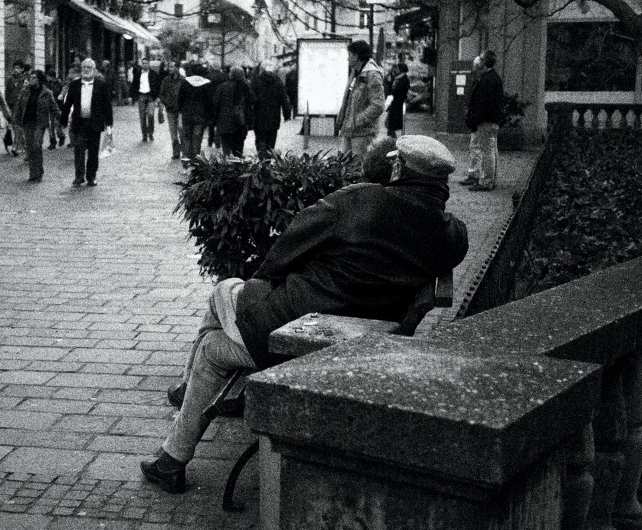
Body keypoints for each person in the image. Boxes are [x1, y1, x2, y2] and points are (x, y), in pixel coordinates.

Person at [142, 135, 469, 494]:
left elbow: (288, 245)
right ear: (441, 183)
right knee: (216, 337)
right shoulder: (451, 235)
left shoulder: (358, 200)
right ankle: (179, 425)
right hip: (364, 344)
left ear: (397, 168)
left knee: (222, 299)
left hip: (296, 333)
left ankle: (177, 438)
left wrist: (265, 280)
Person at [60, 58, 113, 187]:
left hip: (95, 123)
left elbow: (107, 105)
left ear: (94, 70)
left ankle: (91, 176)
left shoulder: (101, 85)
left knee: (93, 152)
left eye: (89, 67)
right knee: (78, 149)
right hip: (79, 122)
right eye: (84, 67)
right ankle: (79, 176)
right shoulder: (75, 84)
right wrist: (63, 119)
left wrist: (109, 123)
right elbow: (68, 103)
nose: (86, 70)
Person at [334, 40, 385, 163]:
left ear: (356, 57)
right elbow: (348, 100)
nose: (348, 59)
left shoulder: (372, 74)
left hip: (363, 134)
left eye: (350, 55)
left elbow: (378, 105)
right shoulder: (355, 73)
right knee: (343, 165)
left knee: (358, 168)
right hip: (349, 131)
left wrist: (357, 120)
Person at [462, 49, 505, 192]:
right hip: (488, 120)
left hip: (486, 120)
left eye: (480, 59)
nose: (477, 60)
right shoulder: (490, 78)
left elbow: (484, 104)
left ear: (485, 62)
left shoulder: (488, 80)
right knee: (488, 149)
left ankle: (486, 180)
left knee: (487, 150)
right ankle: (484, 177)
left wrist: (474, 118)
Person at [14, 70, 61, 183]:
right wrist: (16, 120)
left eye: (34, 78)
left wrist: (61, 118)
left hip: (40, 123)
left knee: (36, 145)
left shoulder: (47, 93)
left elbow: (53, 107)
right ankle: (33, 173)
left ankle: (38, 172)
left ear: (39, 80)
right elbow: (19, 106)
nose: (31, 79)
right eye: (31, 77)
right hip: (27, 122)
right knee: (30, 148)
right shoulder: (24, 91)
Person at [177, 63, 215, 172]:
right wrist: (209, 117)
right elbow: (209, 102)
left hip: (187, 115)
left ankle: (185, 163)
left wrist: (181, 111)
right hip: (200, 116)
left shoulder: (185, 83)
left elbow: (180, 100)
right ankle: (195, 162)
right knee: (197, 140)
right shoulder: (206, 84)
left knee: (186, 139)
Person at [251, 59, 292, 157]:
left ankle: (262, 160)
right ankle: (267, 162)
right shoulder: (278, 82)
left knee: (260, 140)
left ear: (261, 69)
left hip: (259, 117)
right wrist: (287, 114)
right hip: (274, 118)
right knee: (271, 142)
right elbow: (284, 99)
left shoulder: (256, 82)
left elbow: (251, 99)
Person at [212, 65, 254, 158]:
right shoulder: (246, 87)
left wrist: (215, 121)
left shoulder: (222, 87)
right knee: (238, 150)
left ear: (231, 75)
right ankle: (238, 167)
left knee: (226, 150)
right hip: (241, 123)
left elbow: (215, 104)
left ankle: (227, 167)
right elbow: (252, 101)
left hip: (225, 123)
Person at [130, 58, 162, 143]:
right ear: (141, 64)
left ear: (149, 64)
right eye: (143, 63)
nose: (144, 65)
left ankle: (150, 133)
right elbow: (134, 84)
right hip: (141, 96)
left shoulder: (153, 73)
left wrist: (158, 97)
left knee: (151, 115)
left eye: (146, 63)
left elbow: (158, 85)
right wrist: (131, 96)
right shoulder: (138, 73)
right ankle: (144, 135)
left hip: (151, 96)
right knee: (142, 116)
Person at [158, 60, 184, 160]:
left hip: (181, 110)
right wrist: (167, 103)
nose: (170, 68)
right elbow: (161, 94)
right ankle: (176, 152)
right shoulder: (166, 80)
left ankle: (184, 150)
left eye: (172, 66)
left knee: (181, 130)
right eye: (169, 66)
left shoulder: (183, 80)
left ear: (177, 68)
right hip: (170, 110)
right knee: (173, 133)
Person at [5, 61, 29, 155]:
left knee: (17, 125)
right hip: (12, 104)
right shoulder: (10, 79)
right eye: (15, 67)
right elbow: (7, 92)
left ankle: (17, 145)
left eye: (18, 68)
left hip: (21, 105)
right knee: (15, 125)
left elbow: (27, 92)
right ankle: (21, 144)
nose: (16, 70)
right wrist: (7, 103)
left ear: (22, 69)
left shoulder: (25, 79)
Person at [386, 63, 411, 137]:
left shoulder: (402, 79)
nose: (396, 69)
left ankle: (392, 140)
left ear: (400, 69)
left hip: (397, 104)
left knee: (391, 125)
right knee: (390, 125)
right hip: (396, 103)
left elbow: (395, 91)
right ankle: (391, 138)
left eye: (397, 68)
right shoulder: (399, 78)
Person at [44, 67, 66, 149]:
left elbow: (64, 90)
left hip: (58, 106)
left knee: (57, 124)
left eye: (48, 76)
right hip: (49, 106)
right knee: (50, 125)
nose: (47, 78)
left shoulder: (59, 82)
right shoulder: (47, 84)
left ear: (51, 76)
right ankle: (52, 142)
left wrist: (61, 95)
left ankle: (61, 136)